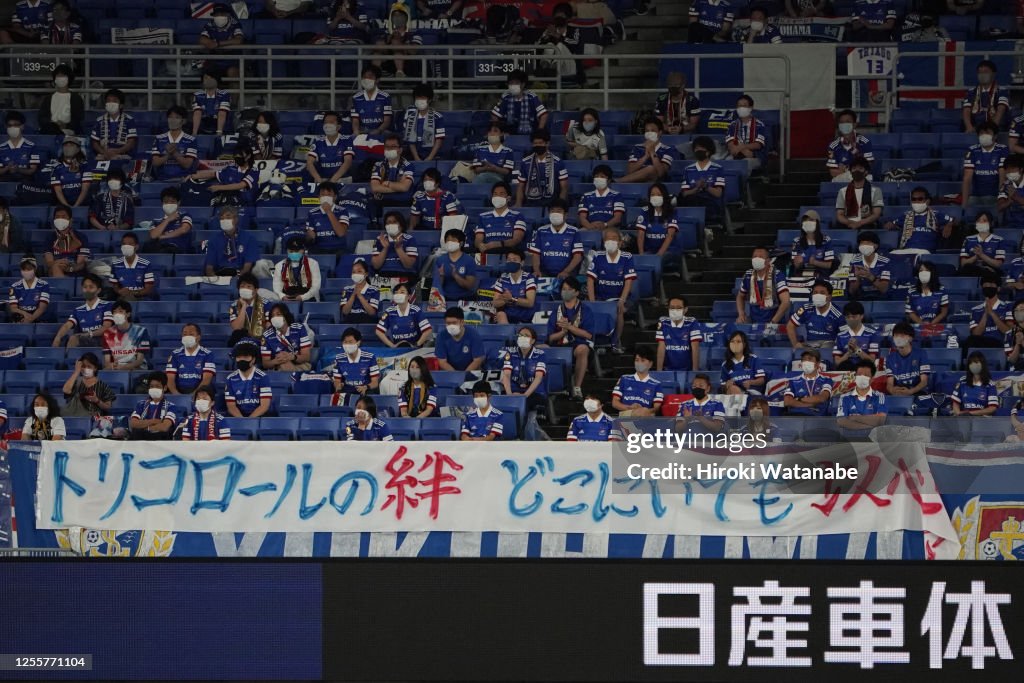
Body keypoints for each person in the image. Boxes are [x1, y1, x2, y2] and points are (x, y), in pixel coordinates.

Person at [586, 227, 635, 351]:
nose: (610, 241)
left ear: (620, 242)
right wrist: (593, 302)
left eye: (614, 238)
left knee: (618, 311)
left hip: (619, 297)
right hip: (600, 297)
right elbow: (590, 280)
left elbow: (628, 281)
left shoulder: (627, 257)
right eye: (607, 238)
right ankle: (595, 342)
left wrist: (622, 300)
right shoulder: (598, 256)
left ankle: (615, 342)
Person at [547, 277, 593, 399]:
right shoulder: (556, 311)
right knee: (541, 347)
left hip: (577, 345)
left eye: (569, 289)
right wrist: (563, 332)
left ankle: (577, 387)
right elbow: (550, 338)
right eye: (563, 289)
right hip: (558, 345)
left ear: (577, 292)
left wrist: (570, 327)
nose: (565, 291)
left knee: (583, 349)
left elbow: (589, 335)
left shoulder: (585, 310)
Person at [882, 187, 955, 251]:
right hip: (907, 250)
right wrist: (890, 225)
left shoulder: (936, 214)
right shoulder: (905, 215)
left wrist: (949, 224)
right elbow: (891, 224)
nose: (916, 202)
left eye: (920, 199)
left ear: (927, 201)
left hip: (926, 251)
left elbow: (955, 220)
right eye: (914, 199)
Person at [51, 273, 111, 347]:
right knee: (71, 339)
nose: (87, 290)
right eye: (85, 287)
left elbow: (106, 327)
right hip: (84, 340)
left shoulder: (106, 305)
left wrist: (89, 334)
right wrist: (58, 337)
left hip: (102, 340)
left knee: (74, 339)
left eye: (91, 287)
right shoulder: (78, 310)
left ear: (98, 290)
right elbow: (67, 325)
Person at [528, 199, 583, 279]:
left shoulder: (574, 231)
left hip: (567, 275)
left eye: (559, 211)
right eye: (552, 211)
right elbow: (536, 254)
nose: (555, 214)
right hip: (544, 274)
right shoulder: (541, 231)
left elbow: (577, 256)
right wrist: (537, 270)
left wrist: (566, 272)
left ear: (566, 214)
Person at [513, 128, 568, 207]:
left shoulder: (558, 162)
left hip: (552, 203)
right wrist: (518, 203)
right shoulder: (525, 162)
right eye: (535, 143)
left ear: (547, 143)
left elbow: (564, 187)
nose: (538, 145)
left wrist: (560, 205)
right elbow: (520, 186)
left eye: (540, 143)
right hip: (531, 203)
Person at [190, 143, 259, 206]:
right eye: (236, 155)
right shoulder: (230, 168)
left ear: (248, 156)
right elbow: (213, 173)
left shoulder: (254, 171)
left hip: (245, 204)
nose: (237, 157)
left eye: (240, 155)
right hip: (227, 202)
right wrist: (192, 175)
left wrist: (218, 188)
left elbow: (241, 185)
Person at [678, 136, 725, 225]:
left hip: (710, 204)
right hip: (692, 201)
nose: (698, 150)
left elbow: (718, 193)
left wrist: (706, 186)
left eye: (701, 148)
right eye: (696, 148)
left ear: (708, 151)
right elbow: (684, 193)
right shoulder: (688, 169)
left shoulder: (718, 169)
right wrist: (696, 189)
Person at [736, 247, 790, 324]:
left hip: (775, 321)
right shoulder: (748, 275)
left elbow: (786, 302)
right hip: (754, 321)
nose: (757, 259)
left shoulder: (777, 275)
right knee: (739, 323)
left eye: (760, 257)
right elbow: (740, 296)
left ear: (768, 261)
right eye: (755, 257)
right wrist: (741, 314)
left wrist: (773, 322)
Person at [961, 121, 1008, 208]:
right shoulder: (972, 150)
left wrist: (1001, 197)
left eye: (988, 133)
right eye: (981, 133)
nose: (984, 135)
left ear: (995, 136)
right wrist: (964, 203)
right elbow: (967, 177)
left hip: (994, 195)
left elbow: (1003, 174)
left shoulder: (1002, 149)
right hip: (976, 196)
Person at [203, 206, 261, 276]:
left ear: (236, 219)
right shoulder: (213, 240)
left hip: (241, 276)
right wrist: (216, 281)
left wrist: (237, 280)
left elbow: (247, 268)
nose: (224, 220)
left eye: (228, 217)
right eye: (222, 218)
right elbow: (209, 268)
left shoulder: (249, 239)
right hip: (219, 276)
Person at [501, 326, 547, 412]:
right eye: (520, 335)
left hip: (533, 393)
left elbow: (538, 377)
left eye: (526, 336)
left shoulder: (540, 354)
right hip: (513, 391)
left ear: (533, 340)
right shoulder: (510, 353)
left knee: (525, 405)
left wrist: (524, 396)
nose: (522, 338)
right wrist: (509, 394)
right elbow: (506, 375)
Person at [787, 280, 843, 349]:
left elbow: (845, 335)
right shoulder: (805, 308)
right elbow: (790, 326)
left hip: (829, 348)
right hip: (809, 347)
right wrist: (795, 344)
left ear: (829, 296)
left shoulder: (838, 314)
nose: (818, 295)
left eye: (822, 293)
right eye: (815, 292)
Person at [476, 182, 527, 254]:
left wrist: (498, 244)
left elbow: (517, 239)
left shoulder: (518, 216)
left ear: (508, 198)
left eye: (501, 194)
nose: (498, 196)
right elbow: (478, 239)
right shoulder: (482, 216)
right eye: (495, 194)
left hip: (509, 253)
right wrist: (480, 245)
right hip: (488, 253)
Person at [835, 359, 887, 432]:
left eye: (866, 375)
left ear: (872, 379)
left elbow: (880, 420)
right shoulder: (845, 397)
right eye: (859, 374)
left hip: (872, 440)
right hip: (849, 439)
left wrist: (854, 418)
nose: (862, 377)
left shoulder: (879, 396)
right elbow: (842, 421)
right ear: (855, 376)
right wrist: (869, 426)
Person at [491, 70, 548, 135]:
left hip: (530, 133)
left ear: (523, 84)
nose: (513, 85)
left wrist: (539, 132)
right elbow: (494, 115)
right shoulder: (506, 97)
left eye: (516, 83)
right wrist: (500, 131)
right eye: (511, 83)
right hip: (510, 133)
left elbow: (544, 115)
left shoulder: (531, 97)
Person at [224, 341, 272, 418]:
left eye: (246, 357)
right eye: (239, 357)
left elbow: (264, 406)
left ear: (253, 359)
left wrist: (249, 421)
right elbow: (231, 406)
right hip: (238, 419)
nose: (242, 360)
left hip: (258, 418)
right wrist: (242, 421)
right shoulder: (230, 378)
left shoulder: (262, 377)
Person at [150, 106, 199, 181]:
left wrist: (175, 153)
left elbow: (187, 165)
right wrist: (168, 155)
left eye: (177, 117)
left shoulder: (191, 140)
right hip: (162, 179)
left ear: (183, 121)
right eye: (170, 117)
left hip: (183, 180)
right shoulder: (159, 139)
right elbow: (155, 162)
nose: (172, 120)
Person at [165, 323, 216, 395]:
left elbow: (206, 380)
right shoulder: (175, 354)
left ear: (198, 337)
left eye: (191, 334)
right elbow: (170, 379)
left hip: (200, 392)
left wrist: (194, 395)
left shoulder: (207, 354)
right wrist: (176, 395)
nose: (187, 337)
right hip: (178, 392)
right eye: (185, 334)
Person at [611, 346, 663, 417]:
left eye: (643, 360)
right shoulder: (624, 379)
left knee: (643, 414)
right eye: (637, 360)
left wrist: (643, 410)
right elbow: (615, 403)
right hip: (626, 413)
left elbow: (656, 408)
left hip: (646, 415)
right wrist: (630, 408)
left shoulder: (656, 384)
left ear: (650, 363)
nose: (639, 363)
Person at [376, 283, 432, 348]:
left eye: (402, 292)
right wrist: (392, 346)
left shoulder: (416, 310)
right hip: (397, 349)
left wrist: (416, 345)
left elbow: (428, 330)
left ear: (409, 296)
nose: (398, 294)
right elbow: (378, 331)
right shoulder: (389, 311)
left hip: (415, 349)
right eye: (396, 292)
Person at [620, 117, 674, 184]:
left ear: (660, 132)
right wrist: (645, 156)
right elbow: (630, 171)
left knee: (650, 169)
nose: (649, 133)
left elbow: (661, 173)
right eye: (647, 131)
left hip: (657, 183)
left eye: (653, 130)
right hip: (637, 181)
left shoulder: (667, 149)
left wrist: (652, 152)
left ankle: (618, 181)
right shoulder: (637, 147)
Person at [306, 111, 355, 184]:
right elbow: (309, 163)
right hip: (322, 181)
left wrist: (332, 181)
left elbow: (348, 161)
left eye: (331, 122)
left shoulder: (347, 139)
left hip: (343, 180)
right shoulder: (317, 141)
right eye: (326, 122)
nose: (328, 125)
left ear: (339, 126)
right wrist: (319, 180)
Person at [61, 353, 115, 418]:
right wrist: (76, 372)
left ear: (95, 368)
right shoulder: (75, 382)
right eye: (83, 366)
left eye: (89, 366)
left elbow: (108, 408)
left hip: (92, 419)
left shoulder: (103, 386)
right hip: (74, 417)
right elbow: (66, 390)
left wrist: (97, 400)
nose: (85, 369)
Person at [261, 303, 312, 372]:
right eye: (272, 316)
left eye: (278, 314)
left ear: (286, 315)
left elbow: (306, 357)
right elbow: (265, 364)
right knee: (284, 364)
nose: (275, 318)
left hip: (300, 365)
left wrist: (292, 357)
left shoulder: (299, 328)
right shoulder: (267, 335)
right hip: (279, 366)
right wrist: (278, 360)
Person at [835, 156, 883, 229]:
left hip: (867, 225)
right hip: (848, 225)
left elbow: (876, 214)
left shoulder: (876, 191)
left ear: (866, 171)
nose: (857, 171)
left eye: (860, 168)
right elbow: (840, 214)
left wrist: (860, 223)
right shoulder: (842, 191)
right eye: (854, 168)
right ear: (850, 171)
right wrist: (850, 223)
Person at [967, 274, 1012, 350]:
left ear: (998, 288)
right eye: (986, 285)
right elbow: (976, 334)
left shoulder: (1007, 307)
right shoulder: (975, 310)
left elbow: (1008, 331)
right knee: (970, 341)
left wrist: (992, 313)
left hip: (1000, 344)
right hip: (981, 345)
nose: (988, 287)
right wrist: (985, 314)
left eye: (991, 284)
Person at [303, 181, 350, 254]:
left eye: (329, 195)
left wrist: (328, 211)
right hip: (319, 249)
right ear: (319, 197)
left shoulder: (342, 211)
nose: (325, 197)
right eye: (323, 195)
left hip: (338, 249)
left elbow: (341, 233)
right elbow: (309, 238)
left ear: (335, 197)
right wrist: (309, 236)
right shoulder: (312, 213)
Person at [402, 83, 445, 162]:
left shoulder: (437, 117)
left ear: (429, 100)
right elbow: (410, 139)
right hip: (413, 155)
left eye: (423, 98)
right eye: (417, 98)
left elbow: (439, 140)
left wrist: (429, 158)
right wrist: (416, 157)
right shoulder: (410, 116)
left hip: (432, 155)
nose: (420, 100)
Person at [198, 5, 244, 79]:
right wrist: (209, 42)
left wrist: (218, 43)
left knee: (233, 73)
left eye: (222, 14)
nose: (219, 16)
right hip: (215, 59)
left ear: (228, 14)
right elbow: (202, 39)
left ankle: (234, 90)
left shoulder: (235, 24)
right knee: (206, 75)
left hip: (232, 59)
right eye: (217, 14)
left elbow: (238, 40)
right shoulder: (209, 24)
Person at [827, 109, 874, 182]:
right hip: (842, 180)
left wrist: (845, 169)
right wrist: (852, 170)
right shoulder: (833, 145)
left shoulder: (864, 142)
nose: (844, 125)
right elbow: (833, 172)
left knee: (868, 178)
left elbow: (868, 167)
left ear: (854, 124)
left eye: (848, 122)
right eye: (842, 122)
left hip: (861, 178)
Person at [963, 60, 1009, 133]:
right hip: (976, 128)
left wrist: (992, 128)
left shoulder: (1002, 91)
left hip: (997, 128)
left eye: (985, 72)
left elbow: (1001, 109)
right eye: (980, 72)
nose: (982, 75)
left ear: (993, 74)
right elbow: (966, 110)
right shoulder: (971, 92)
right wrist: (969, 127)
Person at [656, 296, 701, 371]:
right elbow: (661, 347)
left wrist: (694, 371)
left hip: (687, 370)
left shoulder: (692, 322)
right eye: (672, 307)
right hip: (668, 369)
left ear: (685, 309)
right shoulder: (662, 321)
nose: (675, 310)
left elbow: (695, 348)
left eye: (679, 308)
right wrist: (659, 371)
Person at [37, 64, 84, 135]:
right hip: (50, 129)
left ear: (69, 78)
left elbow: (78, 118)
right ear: (55, 79)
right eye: (58, 76)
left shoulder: (76, 98)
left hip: (69, 130)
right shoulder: (48, 98)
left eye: (63, 76)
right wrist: (53, 124)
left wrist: (65, 125)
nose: (60, 78)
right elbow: (42, 117)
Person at [102, 300, 150, 370]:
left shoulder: (141, 331)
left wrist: (124, 367)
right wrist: (112, 365)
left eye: (120, 311)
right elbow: (107, 361)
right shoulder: (107, 333)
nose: (117, 314)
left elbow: (139, 361)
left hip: (136, 368)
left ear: (128, 314)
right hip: (117, 368)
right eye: (114, 312)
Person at [90, 88, 137, 161]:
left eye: (114, 101)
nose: (111, 103)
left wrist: (117, 151)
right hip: (103, 154)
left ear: (121, 105)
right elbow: (95, 142)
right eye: (108, 101)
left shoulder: (129, 120)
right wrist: (104, 152)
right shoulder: (99, 120)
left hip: (123, 155)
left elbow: (131, 142)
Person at [332, 327, 380, 397]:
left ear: (358, 342)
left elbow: (375, 382)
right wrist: (338, 385)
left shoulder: (370, 357)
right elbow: (337, 381)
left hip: (365, 391)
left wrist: (366, 387)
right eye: (345, 342)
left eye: (350, 342)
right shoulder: (338, 358)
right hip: (347, 392)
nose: (347, 344)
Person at [783, 349, 832, 416]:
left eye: (810, 359)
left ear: (817, 363)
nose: (806, 362)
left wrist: (799, 399)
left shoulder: (826, 380)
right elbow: (787, 401)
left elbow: (822, 398)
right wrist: (809, 404)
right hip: (796, 416)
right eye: (804, 359)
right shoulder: (793, 381)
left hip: (818, 418)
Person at [492, 250, 536, 325]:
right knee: (500, 315)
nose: (511, 262)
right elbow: (495, 303)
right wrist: (506, 300)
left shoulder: (529, 278)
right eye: (509, 260)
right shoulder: (502, 278)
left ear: (522, 263)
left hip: (525, 319)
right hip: (507, 318)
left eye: (515, 260)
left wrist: (512, 299)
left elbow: (530, 303)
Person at [130, 372, 178, 440]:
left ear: (165, 388)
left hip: (160, 441)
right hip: (141, 442)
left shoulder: (171, 406)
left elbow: (164, 427)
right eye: (151, 386)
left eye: (157, 386)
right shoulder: (141, 404)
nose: (154, 389)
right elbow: (133, 423)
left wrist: (145, 428)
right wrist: (153, 421)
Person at [144, 187, 193, 254]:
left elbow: (184, 229)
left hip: (179, 250)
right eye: (166, 202)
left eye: (172, 201)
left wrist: (163, 236)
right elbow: (153, 235)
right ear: (162, 204)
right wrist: (168, 220)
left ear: (178, 203)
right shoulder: (156, 221)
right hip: (160, 249)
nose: (169, 204)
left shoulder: (185, 216)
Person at [370, 211, 419, 278]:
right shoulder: (380, 239)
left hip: (405, 274)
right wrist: (385, 248)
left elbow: (408, 265)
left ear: (401, 225)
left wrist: (399, 249)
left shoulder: (410, 239)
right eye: (388, 223)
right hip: (384, 275)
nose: (391, 224)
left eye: (394, 222)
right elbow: (376, 266)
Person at [635, 183, 679, 258]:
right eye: (652, 195)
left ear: (664, 196)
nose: (655, 197)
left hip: (668, 251)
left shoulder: (672, 212)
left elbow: (670, 236)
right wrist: (641, 256)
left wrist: (658, 256)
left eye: (659, 195)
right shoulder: (645, 211)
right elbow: (641, 235)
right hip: (649, 251)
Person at [833, 301, 879, 371]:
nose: (851, 319)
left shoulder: (872, 334)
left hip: (865, 372)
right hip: (846, 371)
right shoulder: (840, 336)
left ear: (861, 316)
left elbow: (872, 361)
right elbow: (838, 363)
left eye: (854, 317)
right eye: (848, 317)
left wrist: (857, 349)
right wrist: (849, 353)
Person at [43, 207, 89, 278]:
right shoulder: (49, 238)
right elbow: (49, 262)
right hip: (55, 270)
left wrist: (70, 268)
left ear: (70, 220)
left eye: (63, 217)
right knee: (55, 267)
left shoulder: (81, 237)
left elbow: (81, 264)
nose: (60, 219)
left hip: (75, 272)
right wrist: (58, 263)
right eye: (57, 217)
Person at [886, 322, 930, 396]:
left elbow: (924, 381)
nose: (898, 338)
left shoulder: (921, 354)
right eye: (896, 335)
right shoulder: (890, 358)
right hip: (899, 394)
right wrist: (892, 390)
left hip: (917, 393)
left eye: (902, 335)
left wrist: (911, 391)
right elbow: (889, 384)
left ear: (910, 338)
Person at [725, 94, 767, 171]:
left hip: (753, 156)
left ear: (751, 108)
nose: (741, 108)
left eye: (744, 106)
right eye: (739, 106)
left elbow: (757, 145)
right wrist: (742, 149)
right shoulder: (733, 124)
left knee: (746, 164)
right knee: (727, 162)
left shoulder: (759, 124)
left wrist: (742, 147)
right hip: (736, 154)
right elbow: (730, 144)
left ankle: (742, 183)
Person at [435, 229, 478, 302]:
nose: (450, 242)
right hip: (445, 298)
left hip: (465, 298)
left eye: (453, 240)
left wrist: (455, 276)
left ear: (461, 243)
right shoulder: (440, 260)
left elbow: (470, 286)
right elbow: (437, 287)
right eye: (448, 240)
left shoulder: (469, 260)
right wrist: (441, 276)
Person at [228, 274, 271, 346]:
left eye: (249, 286)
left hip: (260, 341)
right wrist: (244, 306)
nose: (245, 289)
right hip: (242, 341)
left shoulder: (266, 304)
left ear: (256, 290)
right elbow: (237, 328)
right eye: (242, 286)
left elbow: (269, 328)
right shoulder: (234, 306)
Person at [435, 307, 484, 372]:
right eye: (448, 323)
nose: (451, 326)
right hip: (450, 373)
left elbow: (477, 360)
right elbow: (442, 362)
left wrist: (464, 375)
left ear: (462, 322)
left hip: (471, 373)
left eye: (454, 323)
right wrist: (456, 376)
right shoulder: (441, 336)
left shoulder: (474, 335)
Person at [109, 233, 155, 301]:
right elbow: (114, 286)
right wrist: (119, 291)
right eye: (124, 244)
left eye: (130, 244)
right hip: (122, 298)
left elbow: (148, 289)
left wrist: (132, 293)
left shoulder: (146, 264)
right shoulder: (115, 264)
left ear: (136, 246)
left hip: (140, 298)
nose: (126, 246)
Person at [578, 165, 624, 231]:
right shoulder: (586, 196)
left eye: (602, 176)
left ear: (609, 180)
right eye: (596, 176)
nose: (599, 178)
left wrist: (605, 225)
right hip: (589, 227)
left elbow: (617, 218)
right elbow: (582, 218)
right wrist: (590, 227)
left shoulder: (617, 195)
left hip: (610, 228)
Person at [273, 237, 321, 302]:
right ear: (287, 251)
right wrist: (282, 296)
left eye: (296, 251)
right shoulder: (279, 265)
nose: (294, 253)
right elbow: (277, 286)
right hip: (287, 298)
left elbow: (316, 286)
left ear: (303, 250)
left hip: (308, 298)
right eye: (291, 251)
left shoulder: (313, 264)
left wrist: (303, 297)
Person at [952, 351, 999, 416]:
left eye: (976, 362)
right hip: (964, 420)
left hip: (982, 421)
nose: (973, 365)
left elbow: (992, 408)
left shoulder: (990, 384)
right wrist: (958, 414)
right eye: (971, 363)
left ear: (982, 364)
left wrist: (971, 413)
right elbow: (955, 402)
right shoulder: (962, 381)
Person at [846, 231, 890, 300]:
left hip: (881, 299)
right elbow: (852, 291)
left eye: (868, 242)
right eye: (862, 243)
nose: (864, 245)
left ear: (876, 245)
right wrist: (857, 277)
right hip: (861, 299)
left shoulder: (885, 262)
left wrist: (870, 276)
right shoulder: (854, 262)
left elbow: (884, 289)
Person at [351, 65, 392, 137]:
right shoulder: (356, 98)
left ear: (377, 80)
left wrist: (379, 130)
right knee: (352, 138)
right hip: (362, 131)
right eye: (364, 77)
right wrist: (356, 131)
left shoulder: (385, 97)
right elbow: (355, 120)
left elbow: (387, 120)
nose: (367, 79)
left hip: (381, 131)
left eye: (370, 77)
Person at [959, 210, 1004, 277]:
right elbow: (963, 263)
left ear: (990, 223)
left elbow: (998, 264)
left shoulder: (999, 240)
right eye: (978, 221)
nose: (981, 223)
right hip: (972, 271)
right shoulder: (968, 239)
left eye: (984, 221)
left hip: (990, 272)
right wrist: (976, 257)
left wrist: (981, 255)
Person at [50, 136, 91, 207]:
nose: (67, 148)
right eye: (65, 145)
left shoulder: (85, 166)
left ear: (78, 149)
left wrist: (76, 206)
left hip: (84, 205)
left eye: (71, 145)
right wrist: (67, 207)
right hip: (63, 206)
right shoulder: (56, 168)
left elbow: (85, 189)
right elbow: (58, 191)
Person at [791, 210, 834, 277]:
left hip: (821, 276)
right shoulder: (796, 241)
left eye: (811, 220)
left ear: (817, 223)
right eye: (805, 220)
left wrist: (815, 262)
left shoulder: (826, 240)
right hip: (801, 276)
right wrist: (798, 263)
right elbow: (796, 266)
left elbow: (830, 265)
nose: (808, 222)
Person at [720, 330, 766, 395]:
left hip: (753, 393)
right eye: (732, 341)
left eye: (738, 341)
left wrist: (751, 382)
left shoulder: (753, 358)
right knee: (733, 389)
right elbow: (723, 387)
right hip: (735, 393)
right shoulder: (725, 364)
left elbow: (761, 380)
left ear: (744, 344)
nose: (735, 344)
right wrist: (727, 385)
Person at [370, 134, 414, 199]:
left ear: (400, 150)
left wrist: (387, 183)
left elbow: (405, 187)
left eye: (393, 146)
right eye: (387, 146)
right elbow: (375, 188)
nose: (389, 149)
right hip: (382, 201)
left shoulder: (408, 165)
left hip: (401, 202)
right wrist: (398, 188)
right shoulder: (378, 165)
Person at [7, 256, 49, 323]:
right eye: (24, 269)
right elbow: (13, 308)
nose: (26, 271)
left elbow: (42, 307)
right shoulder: (14, 286)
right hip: (21, 317)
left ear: (35, 269)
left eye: (29, 269)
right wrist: (26, 315)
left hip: (38, 317)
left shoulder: (44, 285)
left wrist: (31, 319)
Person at [0, 111, 39, 181]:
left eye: (16, 125)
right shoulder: (1, 148)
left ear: (22, 126)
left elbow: (32, 170)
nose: (12, 128)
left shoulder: (32, 146)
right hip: (5, 180)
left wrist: (18, 170)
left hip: (25, 182)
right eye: (10, 125)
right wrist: (7, 168)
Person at [191, 70, 231, 136]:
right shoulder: (198, 95)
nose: (208, 80)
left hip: (222, 128)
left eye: (211, 78)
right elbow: (197, 113)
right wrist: (194, 133)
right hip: (204, 127)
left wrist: (219, 132)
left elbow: (222, 113)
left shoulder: (224, 94)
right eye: (206, 78)